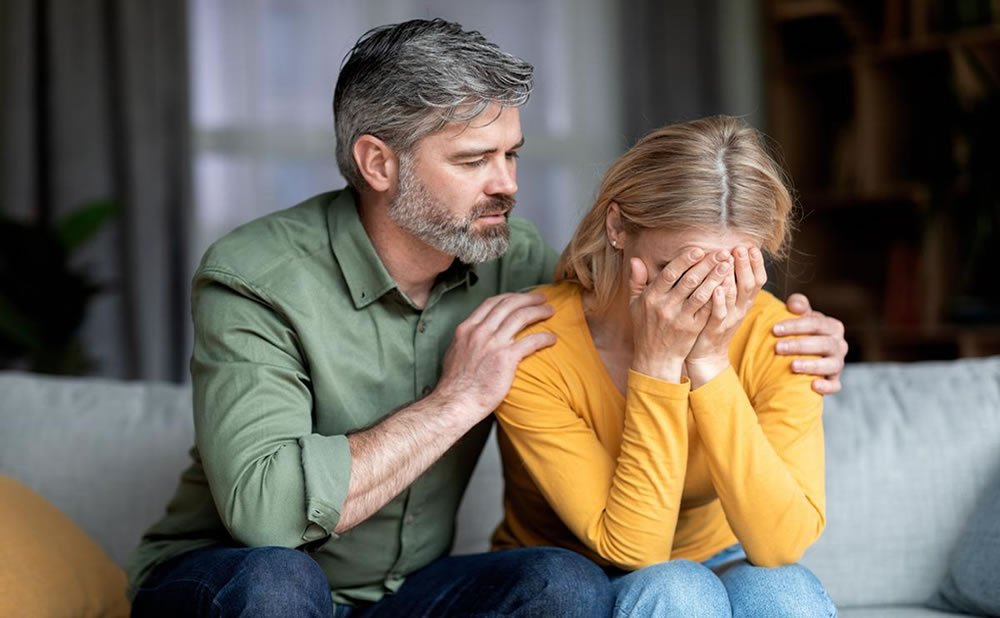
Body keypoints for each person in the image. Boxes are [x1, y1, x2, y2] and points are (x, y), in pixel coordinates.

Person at [126, 19, 847, 617]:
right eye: (474, 160)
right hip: (235, 579)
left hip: (409, 592)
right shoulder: (255, 277)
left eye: (512, 155)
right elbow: (266, 519)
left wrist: (805, 341)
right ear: (379, 163)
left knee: (565, 584)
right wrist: (460, 398)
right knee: (279, 580)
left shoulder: (512, 258)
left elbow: (607, 309)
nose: (506, 184)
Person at [493, 116, 839, 616]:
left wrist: (710, 363)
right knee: (677, 590)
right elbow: (637, 551)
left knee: (787, 594)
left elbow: (780, 546)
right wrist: (656, 366)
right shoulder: (536, 343)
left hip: (724, 556)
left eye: (729, 277)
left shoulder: (783, 336)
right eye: (673, 273)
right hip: (572, 576)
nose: (701, 303)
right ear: (617, 228)